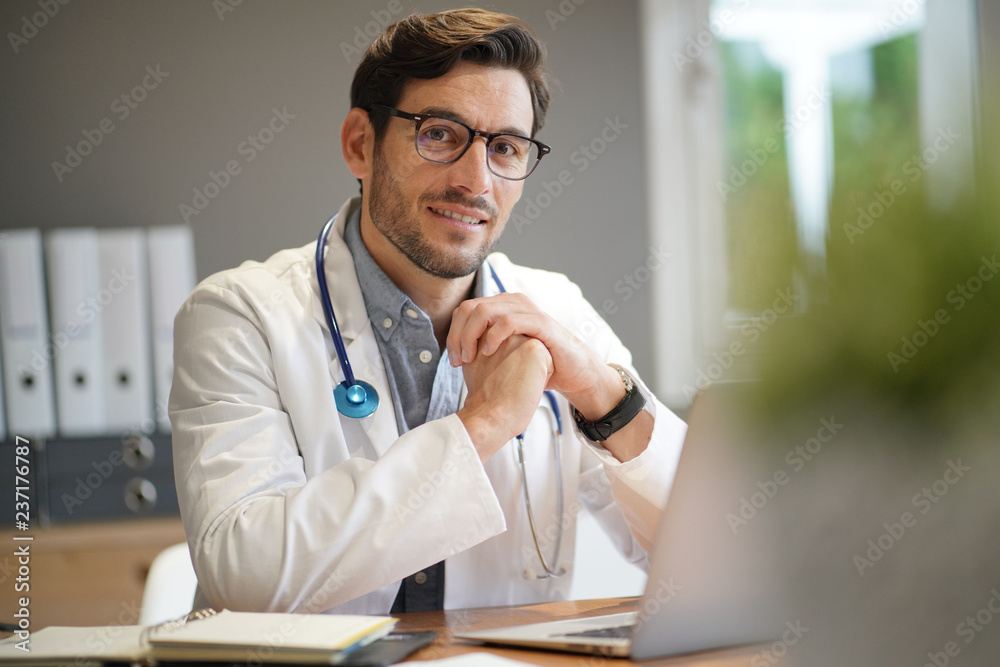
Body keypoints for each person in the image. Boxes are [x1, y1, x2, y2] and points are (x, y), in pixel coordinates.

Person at [170, 8, 687, 615]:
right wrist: (485, 425)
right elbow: (246, 576)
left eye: (506, 147)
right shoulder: (237, 315)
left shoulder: (558, 312)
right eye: (439, 133)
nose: (476, 181)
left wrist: (603, 394)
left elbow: (708, 555)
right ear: (361, 145)